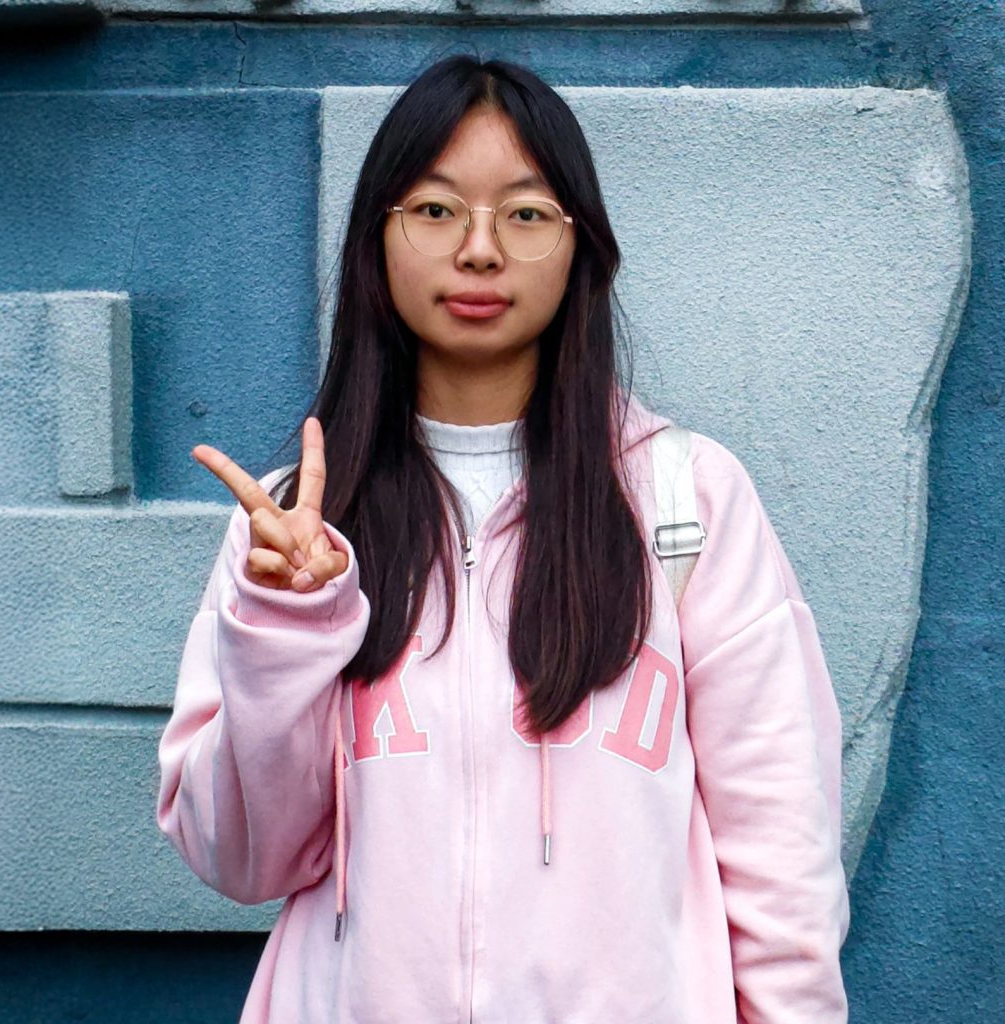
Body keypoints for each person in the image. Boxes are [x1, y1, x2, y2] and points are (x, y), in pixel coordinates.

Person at [156, 54, 850, 1024]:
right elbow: (240, 857)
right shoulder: (296, 528)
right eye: (435, 210)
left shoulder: (687, 501)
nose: (479, 250)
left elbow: (781, 857)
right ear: (377, 240)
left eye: (524, 214)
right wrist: (285, 619)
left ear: (578, 246)